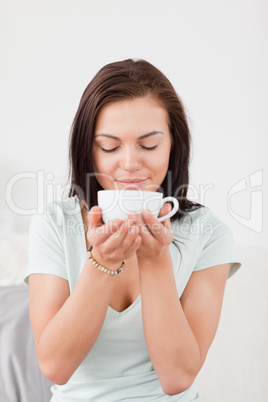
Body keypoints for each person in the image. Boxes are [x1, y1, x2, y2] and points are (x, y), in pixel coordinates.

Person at [25, 58, 241, 401]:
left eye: (149, 145)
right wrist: (103, 263)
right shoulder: (54, 223)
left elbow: (177, 378)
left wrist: (156, 261)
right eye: (109, 146)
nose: (129, 163)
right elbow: (54, 365)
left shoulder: (208, 233)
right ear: (88, 150)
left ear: (174, 146)